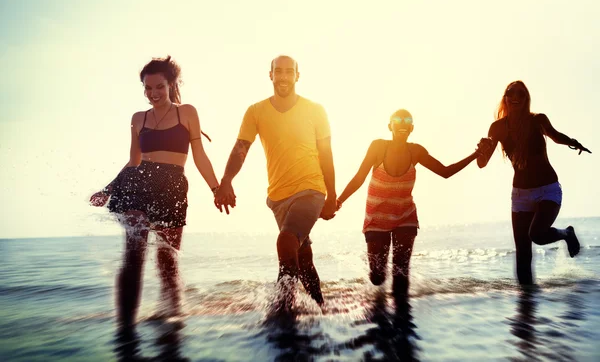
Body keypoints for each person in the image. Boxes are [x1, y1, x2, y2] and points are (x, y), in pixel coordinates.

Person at [89, 56, 220, 335]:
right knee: (134, 252)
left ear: (171, 85)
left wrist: (216, 188)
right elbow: (133, 162)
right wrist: (108, 188)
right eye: (147, 89)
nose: (153, 94)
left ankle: (173, 317)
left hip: (171, 186)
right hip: (137, 182)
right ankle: (125, 327)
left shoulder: (187, 112)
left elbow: (199, 155)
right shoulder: (138, 119)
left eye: (159, 87)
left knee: (167, 259)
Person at [214, 55, 337, 311]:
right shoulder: (256, 111)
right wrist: (226, 180)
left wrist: (332, 196)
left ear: (297, 75)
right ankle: (320, 308)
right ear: (270, 75)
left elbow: (326, 154)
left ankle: (283, 309)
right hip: (278, 197)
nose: (283, 77)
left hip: (311, 189)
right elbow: (241, 148)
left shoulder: (315, 110)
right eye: (278, 71)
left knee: (285, 241)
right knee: (303, 259)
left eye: (288, 71)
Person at [336, 109, 483, 301]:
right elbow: (358, 178)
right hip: (376, 217)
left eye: (407, 121)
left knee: (401, 271)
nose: (402, 123)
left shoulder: (416, 151)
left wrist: (476, 154)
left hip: (405, 216)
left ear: (411, 128)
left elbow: (446, 172)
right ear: (390, 126)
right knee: (377, 277)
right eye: (397, 120)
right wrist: (338, 201)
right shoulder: (378, 147)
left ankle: (402, 321)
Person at [477, 80, 591, 285]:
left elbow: (556, 137)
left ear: (526, 98)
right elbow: (482, 164)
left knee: (537, 234)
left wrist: (574, 143)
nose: (515, 97)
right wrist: (481, 150)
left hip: (547, 190)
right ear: (505, 98)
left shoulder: (537, 120)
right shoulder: (498, 128)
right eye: (511, 93)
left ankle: (566, 233)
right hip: (520, 195)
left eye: (521, 93)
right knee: (522, 254)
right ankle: (526, 305)